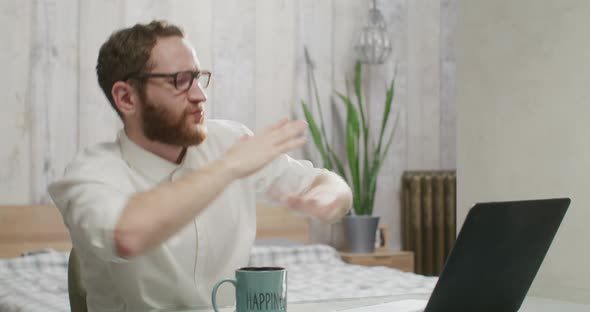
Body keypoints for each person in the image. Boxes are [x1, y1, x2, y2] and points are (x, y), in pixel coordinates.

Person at [48, 20, 352, 312]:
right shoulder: (89, 175)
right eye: (180, 81)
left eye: (198, 77)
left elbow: (327, 184)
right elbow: (128, 236)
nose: (200, 95)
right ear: (127, 98)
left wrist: (328, 198)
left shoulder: (229, 141)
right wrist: (229, 167)